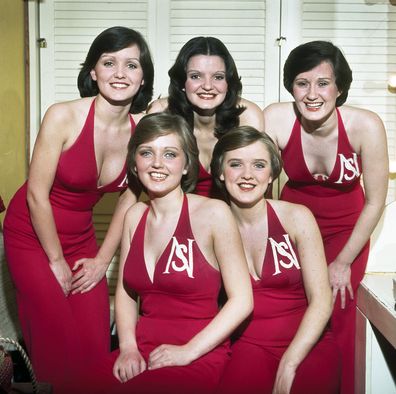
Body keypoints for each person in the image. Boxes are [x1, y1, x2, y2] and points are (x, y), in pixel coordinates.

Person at [3, 26, 154, 393]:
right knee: (56, 339)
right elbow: (37, 194)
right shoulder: (63, 116)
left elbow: (129, 198)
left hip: (82, 236)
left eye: (131, 65)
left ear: (143, 76)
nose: (120, 73)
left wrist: (103, 260)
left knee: (93, 343)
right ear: (92, 72)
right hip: (32, 234)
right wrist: (54, 260)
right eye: (109, 63)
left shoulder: (142, 132)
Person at [80, 112, 253, 394]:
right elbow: (125, 292)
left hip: (198, 353)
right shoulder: (134, 215)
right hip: (142, 350)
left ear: (187, 164)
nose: (157, 163)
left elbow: (242, 301)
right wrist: (127, 348)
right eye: (147, 153)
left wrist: (188, 351)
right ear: (134, 164)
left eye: (170, 154)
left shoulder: (212, 213)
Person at [263, 40, 388, 394]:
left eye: (323, 83)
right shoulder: (276, 118)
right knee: (291, 305)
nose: (312, 94)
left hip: (347, 233)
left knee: (341, 309)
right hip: (293, 229)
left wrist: (344, 261)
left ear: (340, 87)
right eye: (302, 83)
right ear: (291, 87)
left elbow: (376, 201)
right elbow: (256, 183)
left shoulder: (366, 125)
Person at [211, 126, 341, 394]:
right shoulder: (208, 226)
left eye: (259, 165)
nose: (247, 175)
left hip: (308, 343)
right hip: (249, 346)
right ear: (221, 172)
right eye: (236, 164)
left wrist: (291, 361)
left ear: (271, 174)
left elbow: (322, 300)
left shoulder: (297, 217)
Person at [148, 36, 264, 198]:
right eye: (196, 76)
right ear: (182, 82)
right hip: (177, 215)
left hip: (234, 216)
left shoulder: (248, 116)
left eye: (218, 77)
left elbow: (259, 184)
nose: (208, 86)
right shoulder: (161, 113)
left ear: (228, 82)